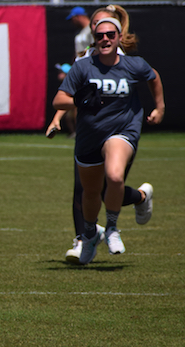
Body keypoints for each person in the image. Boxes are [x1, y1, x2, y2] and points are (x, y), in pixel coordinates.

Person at [47, 5, 156, 264]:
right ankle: (85, 237)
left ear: (117, 32)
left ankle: (116, 222)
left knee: (111, 182)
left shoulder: (127, 59)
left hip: (120, 131)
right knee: (86, 188)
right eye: (96, 28)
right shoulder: (85, 59)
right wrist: (57, 118)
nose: (102, 35)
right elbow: (70, 93)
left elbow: (152, 77)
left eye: (107, 29)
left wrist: (159, 108)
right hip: (89, 132)